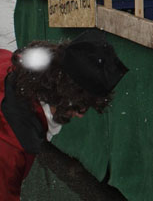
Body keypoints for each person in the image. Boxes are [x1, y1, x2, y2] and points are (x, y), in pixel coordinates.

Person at [0, 31, 127, 199]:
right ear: (63, 96)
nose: (81, 115)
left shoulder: (11, 63)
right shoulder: (12, 151)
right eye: (80, 107)